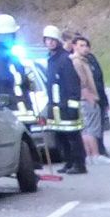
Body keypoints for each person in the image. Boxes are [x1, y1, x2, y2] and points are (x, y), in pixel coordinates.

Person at [39, 27, 86, 174]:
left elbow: (72, 83)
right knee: (61, 136)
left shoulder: (65, 59)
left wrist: (72, 105)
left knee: (73, 136)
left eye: (53, 40)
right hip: (56, 105)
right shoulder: (51, 59)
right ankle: (69, 162)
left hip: (66, 105)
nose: (50, 42)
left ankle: (79, 164)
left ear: (58, 41)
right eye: (47, 40)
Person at [72, 36, 109, 163]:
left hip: (87, 98)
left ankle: (90, 156)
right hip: (87, 98)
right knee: (91, 129)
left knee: (87, 129)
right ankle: (95, 154)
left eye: (86, 45)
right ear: (74, 46)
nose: (85, 48)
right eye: (81, 45)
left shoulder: (85, 60)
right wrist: (90, 97)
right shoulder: (77, 62)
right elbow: (82, 82)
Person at [0, 15, 33, 117]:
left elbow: (20, 73)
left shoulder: (10, 51)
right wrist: (22, 78)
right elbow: (4, 77)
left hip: (20, 101)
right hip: (11, 104)